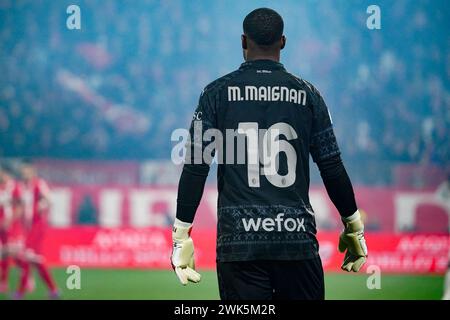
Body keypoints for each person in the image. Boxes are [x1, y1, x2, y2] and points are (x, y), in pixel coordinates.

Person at [170, 8, 368, 300]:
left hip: (239, 244)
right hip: (296, 240)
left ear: (243, 41)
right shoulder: (309, 95)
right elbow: (332, 166)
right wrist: (354, 226)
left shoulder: (216, 93)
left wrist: (181, 234)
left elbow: (196, 167)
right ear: (283, 42)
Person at [13, 160, 59, 299]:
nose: (24, 173)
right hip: (26, 227)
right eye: (22, 170)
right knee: (35, 259)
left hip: (37, 226)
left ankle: (20, 292)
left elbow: (50, 199)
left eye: (26, 170)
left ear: (32, 170)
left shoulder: (39, 184)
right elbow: (19, 205)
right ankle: (53, 290)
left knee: (27, 256)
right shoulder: (21, 187)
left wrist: (41, 205)